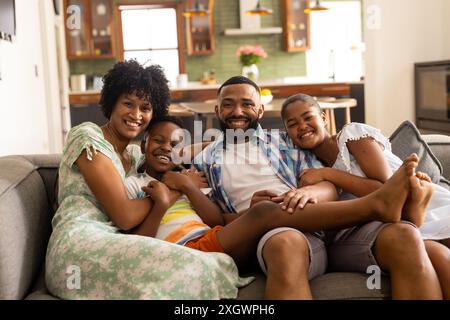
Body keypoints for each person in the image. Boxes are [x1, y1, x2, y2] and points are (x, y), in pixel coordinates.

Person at [193, 76, 442, 299]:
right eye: (228, 104)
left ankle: (383, 205)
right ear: (217, 109)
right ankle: (379, 203)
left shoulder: (286, 142)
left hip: (334, 226)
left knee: (405, 236)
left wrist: (308, 193)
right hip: (280, 232)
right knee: (285, 244)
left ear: (260, 109)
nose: (237, 111)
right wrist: (249, 213)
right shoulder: (204, 160)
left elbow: (328, 186)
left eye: (247, 104)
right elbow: (214, 218)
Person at [44, 60, 252, 300]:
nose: (136, 115)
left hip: (115, 240)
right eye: (128, 104)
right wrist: (177, 189)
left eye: (145, 108)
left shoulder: (134, 156)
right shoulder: (87, 136)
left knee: (205, 262)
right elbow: (124, 216)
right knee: (196, 267)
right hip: (79, 246)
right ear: (112, 102)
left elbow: (181, 149)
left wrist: (233, 142)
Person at [280, 92, 450, 299]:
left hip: (425, 205)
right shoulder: (310, 168)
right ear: (287, 132)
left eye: (308, 117)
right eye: (293, 124)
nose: (302, 126)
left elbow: (387, 188)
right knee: (440, 257)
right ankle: (413, 211)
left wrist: (330, 174)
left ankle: (416, 200)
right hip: (399, 221)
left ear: (323, 118)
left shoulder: (351, 136)